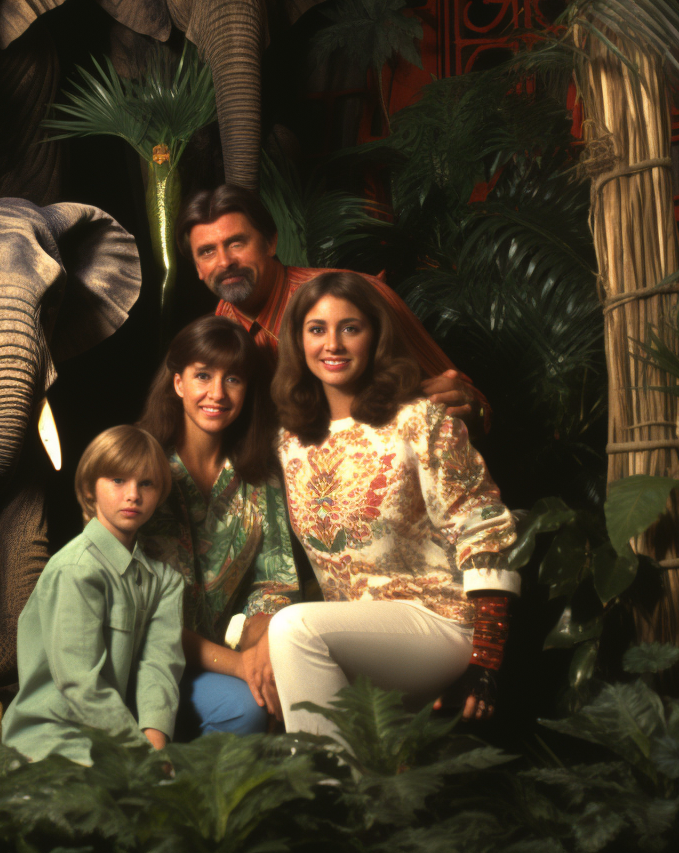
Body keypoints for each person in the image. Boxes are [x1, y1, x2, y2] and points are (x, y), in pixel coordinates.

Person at [266, 272, 519, 743]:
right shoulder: (289, 441)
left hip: (440, 622)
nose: (333, 344)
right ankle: (352, 797)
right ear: (298, 342)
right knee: (292, 634)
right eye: (317, 329)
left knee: (294, 627)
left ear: (376, 337)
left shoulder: (418, 419)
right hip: (356, 636)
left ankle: (333, 798)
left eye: (351, 328)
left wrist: (486, 660)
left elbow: (482, 524)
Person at [175, 184, 490, 434]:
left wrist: (469, 409)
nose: (225, 261)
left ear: (270, 243)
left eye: (236, 243)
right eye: (207, 252)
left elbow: (468, 400)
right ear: (198, 269)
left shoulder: (357, 296)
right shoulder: (220, 327)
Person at [137, 315, 301, 736]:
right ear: (178, 384)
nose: (217, 394)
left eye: (233, 379)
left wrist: (260, 643)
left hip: (215, 663)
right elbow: (137, 609)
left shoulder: (261, 477)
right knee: (250, 704)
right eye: (203, 376)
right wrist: (240, 664)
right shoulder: (136, 468)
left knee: (272, 701)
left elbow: (275, 582)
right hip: (140, 657)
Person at [1, 425, 184, 764]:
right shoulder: (75, 569)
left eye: (146, 483)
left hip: (121, 741)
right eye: (118, 480)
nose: (133, 494)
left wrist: (155, 751)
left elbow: (159, 667)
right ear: (90, 489)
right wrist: (140, 757)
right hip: (52, 742)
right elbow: (79, 683)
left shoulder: (165, 581)